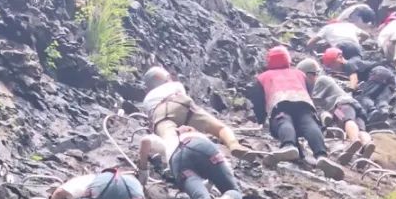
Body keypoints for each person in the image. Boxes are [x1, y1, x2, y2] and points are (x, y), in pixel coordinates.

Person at [246, 47, 344, 178]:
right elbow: (309, 89)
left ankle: (289, 145)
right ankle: (321, 155)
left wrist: (261, 119)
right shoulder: (299, 73)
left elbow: (258, 100)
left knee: (284, 120)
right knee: (309, 123)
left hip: (279, 103)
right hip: (303, 101)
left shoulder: (262, 77)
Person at [139, 66, 236, 164]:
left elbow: (151, 120)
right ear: (166, 78)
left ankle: (173, 165)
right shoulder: (176, 85)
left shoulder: (146, 100)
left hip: (160, 115)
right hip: (180, 103)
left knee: (171, 143)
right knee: (220, 128)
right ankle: (234, 145)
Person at [162, 127, 244, 199]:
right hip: (202, 147)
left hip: (177, 160)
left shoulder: (170, 143)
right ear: (191, 130)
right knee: (233, 190)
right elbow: (224, 171)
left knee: (200, 197)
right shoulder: (199, 136)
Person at [301, 56, 375, 161]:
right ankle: (367, 145)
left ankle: (355, 141)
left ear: (308, 74)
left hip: (341, 104)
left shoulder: (320, 80)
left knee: (346, 120)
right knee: (360, 128)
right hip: (354, 105)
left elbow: (313, 101)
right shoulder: (325, 79)